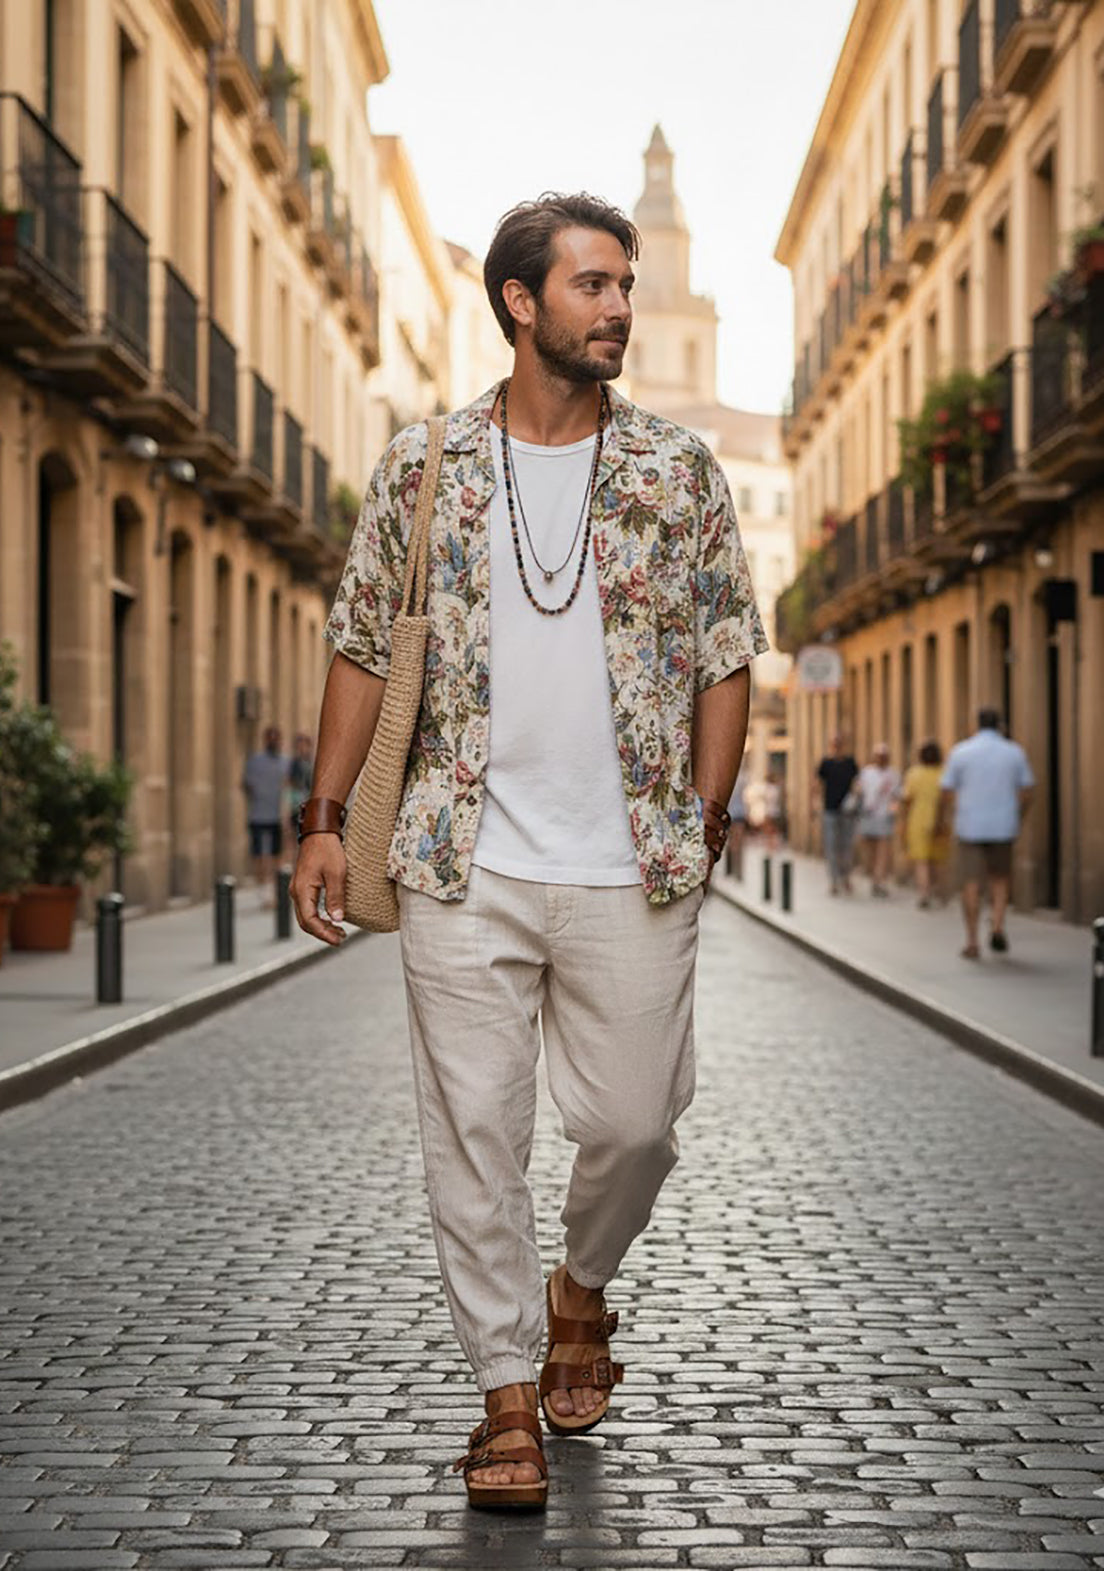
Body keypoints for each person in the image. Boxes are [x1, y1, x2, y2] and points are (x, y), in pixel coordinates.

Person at [289, 193, 766, 1511]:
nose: (620, 308)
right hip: (461, 854)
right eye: (595, 287)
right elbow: (364, 645)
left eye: (626, 287)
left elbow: (728, 650)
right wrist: (324, 817)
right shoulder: (422, 463)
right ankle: (505, 1393)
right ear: (521, 301)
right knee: (475, 1135)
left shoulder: (678, 470)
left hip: (636, 860)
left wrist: (708, 813)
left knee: (635, 1123)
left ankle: (583, 1288)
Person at [939, 707, 1035, 958]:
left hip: (970, 826)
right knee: (1000, 879)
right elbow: (1027, 791)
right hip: (1003, 826)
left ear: (977, 724)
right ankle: (997, 926)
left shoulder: (961, 752)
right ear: (1000, 725)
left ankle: (972, 940)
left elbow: (946, 791)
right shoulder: (1014, 752)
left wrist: (951, 815)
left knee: (970, 884)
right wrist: (1017, 816)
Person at [241, 725, 289, 905]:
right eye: (270, 738)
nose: (273, 741)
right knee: (260, 855)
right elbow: (247, 785)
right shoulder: (255, 762)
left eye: (276, 738)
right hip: (258, 815)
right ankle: (263, 890)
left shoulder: (286, 762)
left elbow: (290, 787)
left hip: (278, 817)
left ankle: (275, 890)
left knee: (277, 855)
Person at [901, 739, 947, 907]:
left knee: (922, 861)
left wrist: (903, 821)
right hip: (939, 821)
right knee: (938, 860)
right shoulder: (944, 773)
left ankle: (924, 894)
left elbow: (907, 800)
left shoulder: (914, 774)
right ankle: (941, 893)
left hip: (918, 821)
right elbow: (947, 799)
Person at [814, 732, 858, 894]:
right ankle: (833, 881)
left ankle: (846, 878)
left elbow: (856, 783)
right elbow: (817, 784)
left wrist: (855, 800)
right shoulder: (826, 763)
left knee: (846, 846)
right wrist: (816, 806)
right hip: (830, 810)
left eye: (839, 743)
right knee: (831, 846)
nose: (837, 746)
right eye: (834, 743)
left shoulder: (850, 763)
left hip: (847, 811)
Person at [854, 741, 900, 896]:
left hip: (884, 816)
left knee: (882, 852)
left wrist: (893, 812)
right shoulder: (867, 772)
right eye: (879, 756)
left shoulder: (893, 774)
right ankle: (874, 877)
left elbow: (896, 797)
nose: (881, 759)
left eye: (884, 756)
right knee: (871, 851)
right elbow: (859, 791)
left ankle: (878, 881)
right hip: (868, 815)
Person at [286, 732, 315, 840]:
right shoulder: (294, 764)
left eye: (304, 745)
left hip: (310, 805)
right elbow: (290, 784)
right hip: (296, 805)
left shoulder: (313, 764)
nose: (302, 749)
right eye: (300, 746)